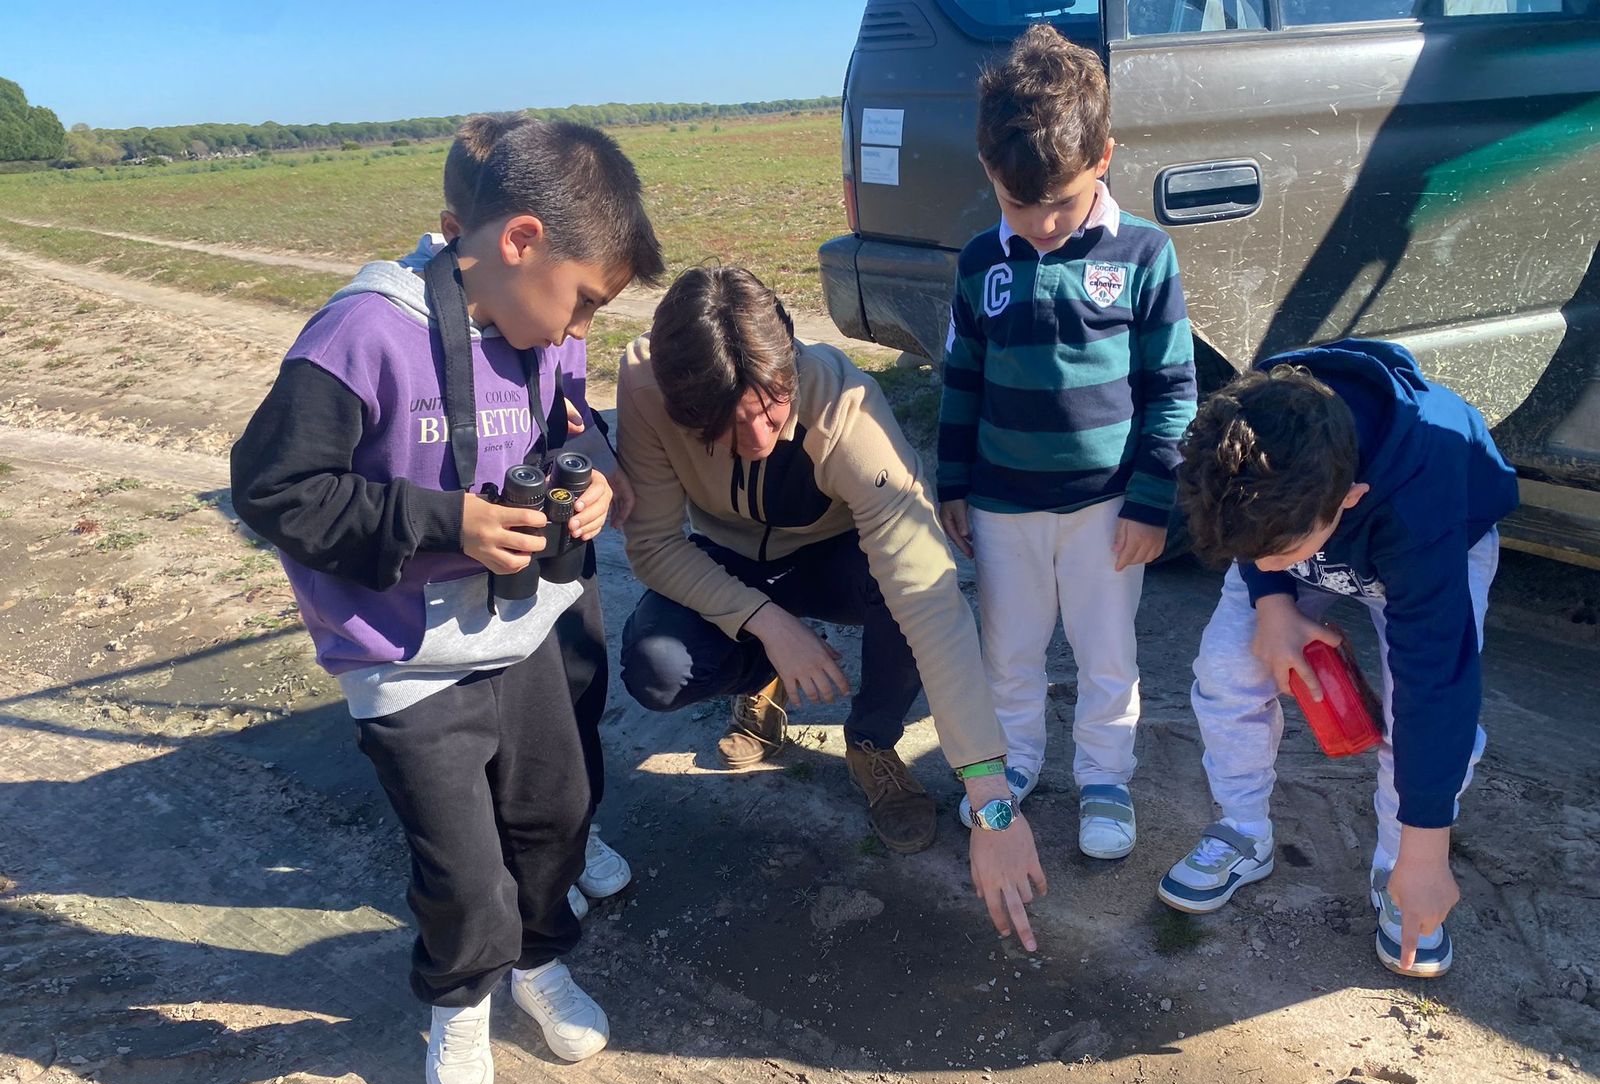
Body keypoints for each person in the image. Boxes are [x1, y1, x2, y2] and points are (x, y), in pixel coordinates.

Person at [229, 118, 664, 1084]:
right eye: (582, 301)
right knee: (463, 870)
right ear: (519, 242)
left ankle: (539, 965)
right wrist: (444, 524)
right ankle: (462, 997)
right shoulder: (364, 331)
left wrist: (594, 473)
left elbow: (568, 427)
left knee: (554, 823)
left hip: (527, 638)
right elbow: (272, 490)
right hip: (407, 662)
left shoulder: (537, 326)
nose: (575, 332)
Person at [615, 265, 1048, 947]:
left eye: (773, 407)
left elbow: (929, 593)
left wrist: (990, 797)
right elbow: (654, 546)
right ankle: (761, 675)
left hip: (836, 560)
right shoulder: (644, 386)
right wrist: (767, 624)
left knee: (905, 599)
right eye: (730, 423)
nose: (758, 438)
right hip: (730, 560)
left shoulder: (847, 405)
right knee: (658, 669)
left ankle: (872, 741)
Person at [1160, 339, 1518, 978]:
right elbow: (1256, 537)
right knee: (1226, 665)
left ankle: (1398, 866)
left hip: (1433, 538)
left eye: (1278, 556)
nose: (1265, 567)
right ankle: (1243, 831)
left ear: (1348, 500)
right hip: (1296, 520)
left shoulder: (1420, 501)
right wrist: (1272, 600)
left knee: (1412, 713)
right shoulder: (1248, 435)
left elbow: (1437, 684)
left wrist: (1427, 851)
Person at [937, 24, 1197, 859]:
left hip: (1107, 509)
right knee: (1007, 653)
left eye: (1062, 199)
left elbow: (1172, 391)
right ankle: (1010, 771)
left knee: (1106, 655)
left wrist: (1154, 504)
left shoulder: (1145, 255)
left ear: (1105, 159)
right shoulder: (982, 262)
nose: (1043, 224)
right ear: (989, 174)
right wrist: (951, 486)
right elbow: (962, 380)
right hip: (1002, 503)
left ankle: (1105, 778)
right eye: (1020, 204)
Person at [407, 114, 634, 918]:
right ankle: (514, 860)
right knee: (488, 719)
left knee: (577, 683)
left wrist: (601, 464)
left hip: (556, 545)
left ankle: (573, 835)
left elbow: (573, 404)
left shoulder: (552, 311)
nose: (575, 329)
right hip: (471, 565)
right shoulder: (427, 327)